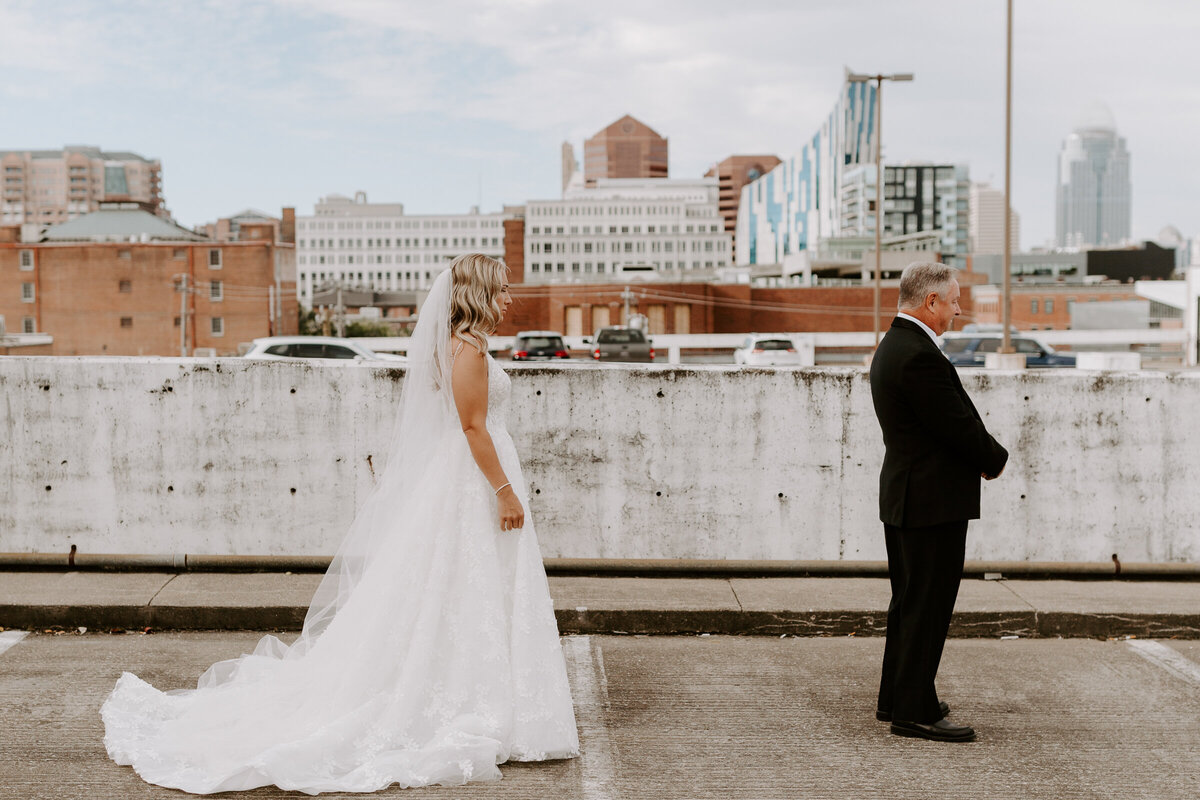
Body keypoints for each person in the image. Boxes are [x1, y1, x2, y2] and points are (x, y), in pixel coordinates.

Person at [101, 253, 579, 793]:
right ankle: (468, 696)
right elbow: (472, 428)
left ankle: (474, 687)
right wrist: (505, 492)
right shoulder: (467, 349)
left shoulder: (463, 346)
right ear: (477, 294)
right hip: (475, 481)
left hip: (466, 480)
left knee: (461, 592)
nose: (509, 299)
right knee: (466, 588)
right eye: (502, 290)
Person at [869, 261, 1008, 743]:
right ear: (930, 302)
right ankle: (915, 710)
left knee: (909, 603)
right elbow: (956, 425)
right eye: (952, 301)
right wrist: (994, 458)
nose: (957, 309)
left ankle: (897, 697)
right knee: (927, 606)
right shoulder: (919, 355)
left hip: (909, 496)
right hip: (930, 503)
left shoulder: (894, 346)